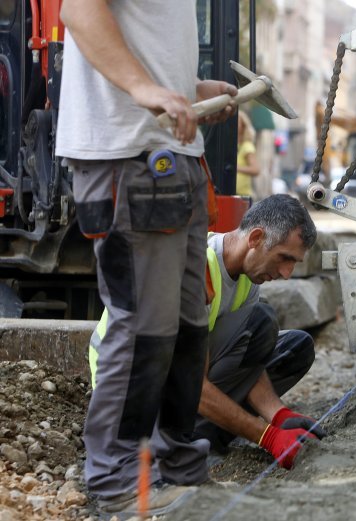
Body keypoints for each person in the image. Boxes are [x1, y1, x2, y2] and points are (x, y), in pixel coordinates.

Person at [56, 0, 237, 516]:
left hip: (172, 156)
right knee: (143, 331)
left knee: (185, 329)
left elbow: (142, 41)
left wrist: (190, 90)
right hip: (127, 155)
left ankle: (178, 469)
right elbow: (81, 11)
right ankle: (117, 483)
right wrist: (145, 90)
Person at [90, 195, 324, 476]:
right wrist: (267, 437)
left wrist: (279, 415)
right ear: (256, 238)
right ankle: (180, 440)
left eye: (294, 262)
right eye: (285, 258)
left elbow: (246, 361)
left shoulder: (246, 279)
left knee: (288, 342)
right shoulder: (193, 273)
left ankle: (199, 434)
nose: (287, 273)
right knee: (262, 321)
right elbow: (195, 387)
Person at [236, 111, 260, 198]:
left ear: (243, 126)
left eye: (237, 122)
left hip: (243, 196)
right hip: (234, 194)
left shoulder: (247, 146)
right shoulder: (234, 146)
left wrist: (236, 168)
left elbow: (255, 170)